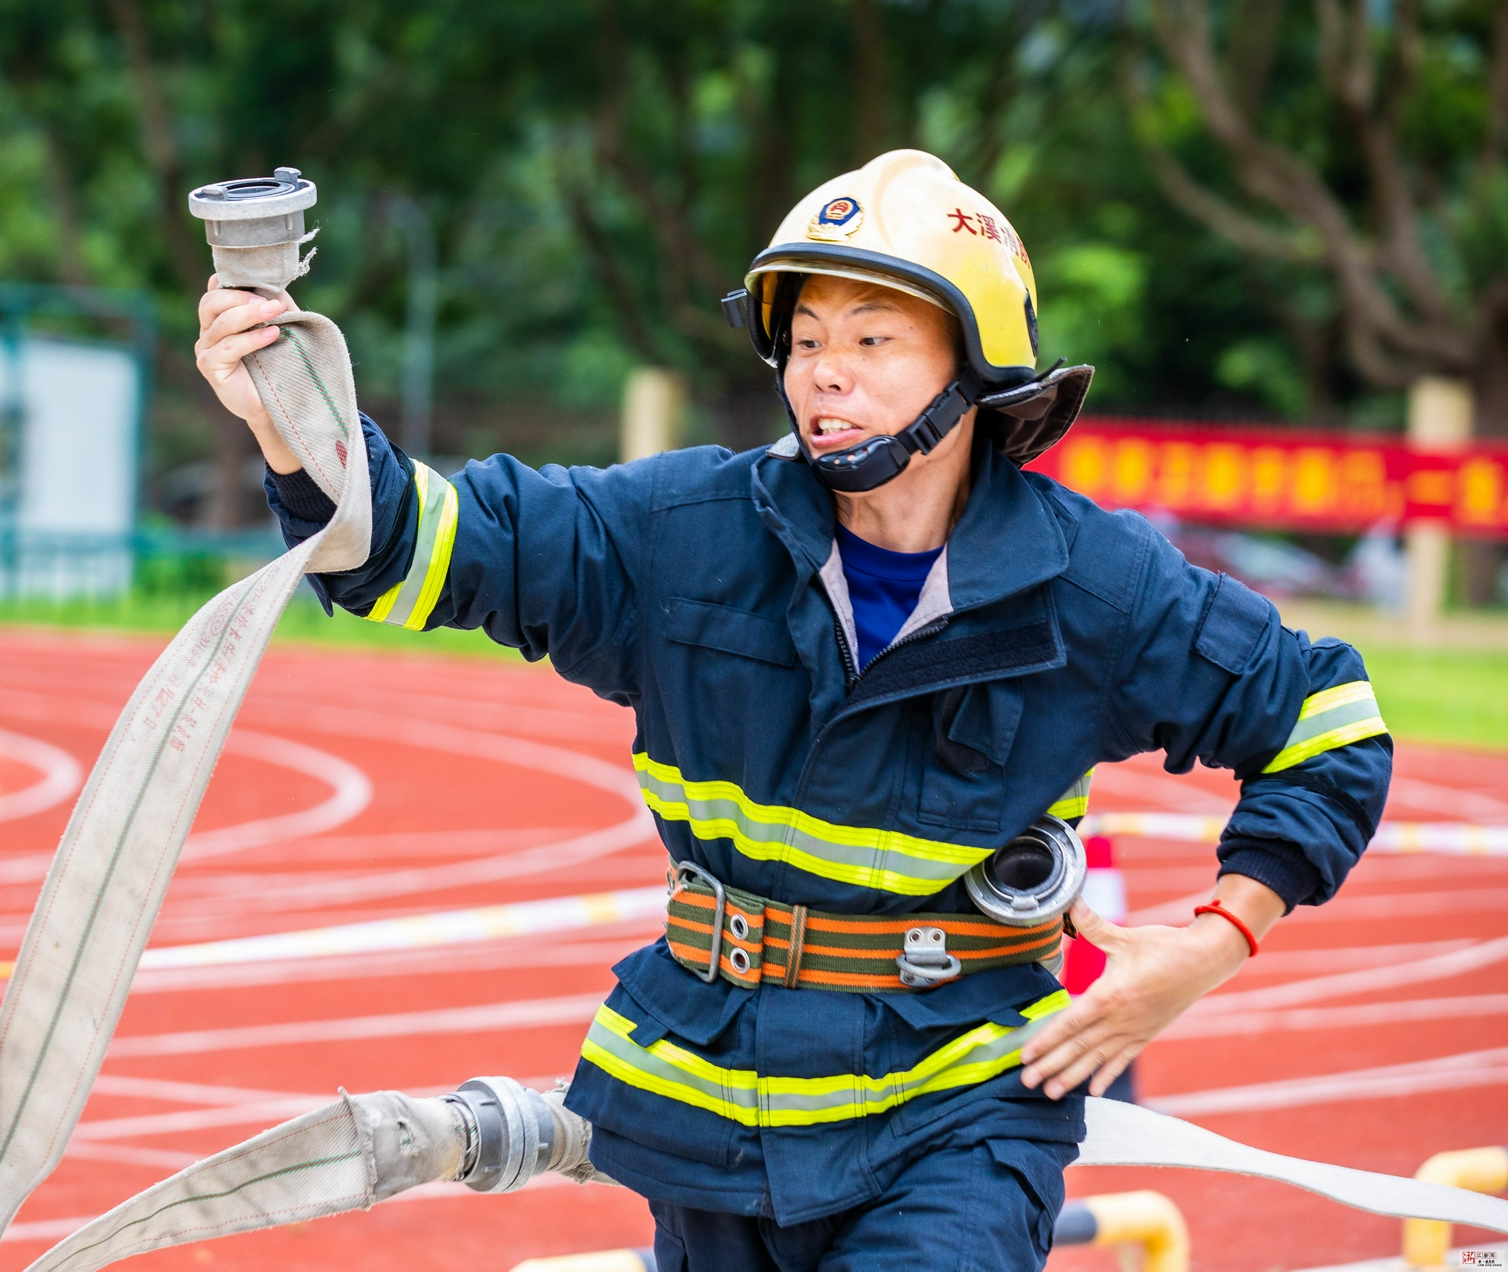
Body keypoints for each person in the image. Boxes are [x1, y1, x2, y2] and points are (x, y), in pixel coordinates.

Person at [193, 149, 1391, 1271]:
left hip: (958, 1106)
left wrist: (1208, 943)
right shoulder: (681, 535)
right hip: (707, 1093)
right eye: (806, 336)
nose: (826, 368)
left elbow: (1324, 723)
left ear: (974, 368)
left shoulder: (1094, 586)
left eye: (873, 337)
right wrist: (286, 409)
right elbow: (423, 547)